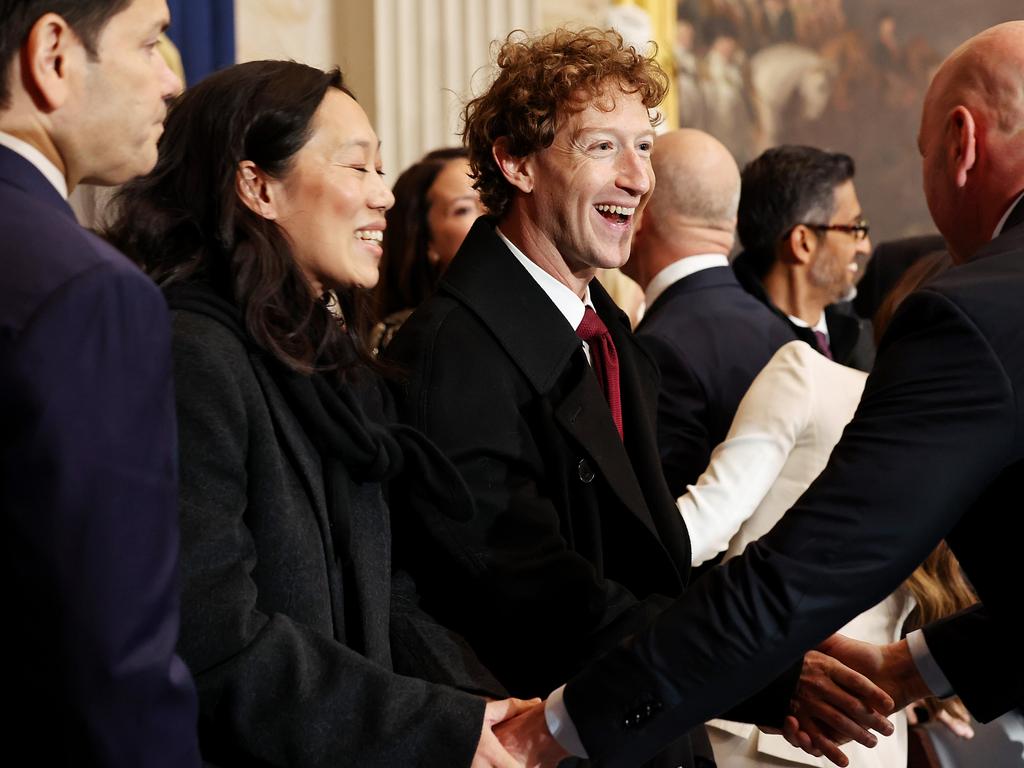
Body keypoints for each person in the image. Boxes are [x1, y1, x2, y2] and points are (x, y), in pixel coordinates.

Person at [496, 20, 1024, 768]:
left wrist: (554, 729)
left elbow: (803, 572)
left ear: (961, 143)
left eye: (643, 147)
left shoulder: (972, 312)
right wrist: (909, 669)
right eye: (605, 146)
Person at [387, 27, 889, 768]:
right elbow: (543, 599)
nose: (638, 178)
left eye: (644, 147)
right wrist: (762, 673)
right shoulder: (450, 353)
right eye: (601, 148)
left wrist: (772, 639)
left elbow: (657, 559)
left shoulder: (608, 330)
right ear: (515, 162)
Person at [106, 59, 534, 767]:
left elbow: (384, 594)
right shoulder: (192, 356)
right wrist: (437, 726)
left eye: (382, 170)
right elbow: (213, 642)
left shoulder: (328, 362)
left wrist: (481, 711)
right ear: (258, 186)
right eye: (357, 168)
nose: (385, 198)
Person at [0, 1, 199, 765]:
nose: (168, 82)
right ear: (53, 54)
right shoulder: (89, 292)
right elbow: (113, 662)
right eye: (150, 41)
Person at [682, 252, 975, 768]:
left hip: (762, 719)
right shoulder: (966, 445)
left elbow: (701, 528)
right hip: (869, 740)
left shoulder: (809, 375)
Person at [624, 128, 796, 498]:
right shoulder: (780, 329)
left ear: (642, 213)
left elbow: (665, 514)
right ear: (730, 221)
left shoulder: (658, 348)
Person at [732, 145, 876, 372]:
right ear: (802, 243)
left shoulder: (859, 333)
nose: (865, 247)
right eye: (853, 228)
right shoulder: (742, 354)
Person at [371, 147, 483, 355]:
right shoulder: (413, 338)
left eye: (492, 198)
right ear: (426, 239)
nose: (491, 213)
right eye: (464, 209)